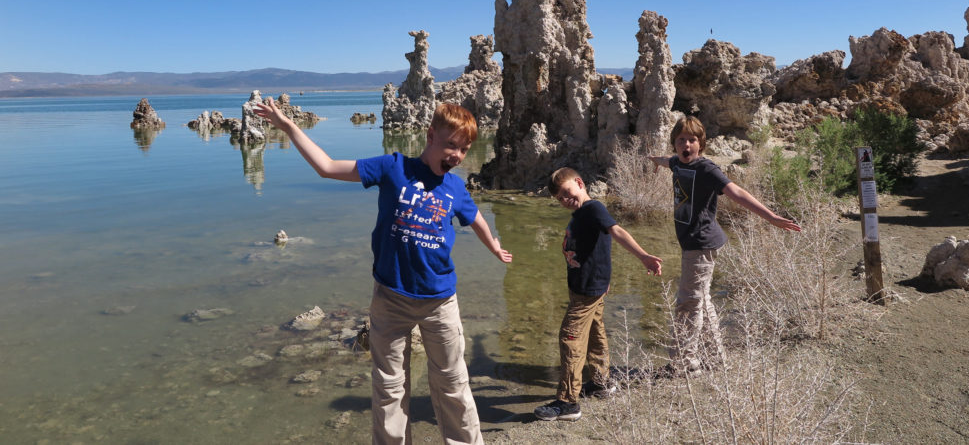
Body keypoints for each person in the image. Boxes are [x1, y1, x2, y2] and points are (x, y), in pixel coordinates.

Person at [256, 99, 512, 445]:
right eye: (451, 145)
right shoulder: (393, 167)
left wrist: (493, 245)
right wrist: (288, 127)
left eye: (464, 149)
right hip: (390, 299)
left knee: (453, 383)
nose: (457, 155)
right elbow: (328, 167)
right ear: (430, 134)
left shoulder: (455, 187)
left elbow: (475, 216)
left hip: (440, 302)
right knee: (390, 387)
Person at [648, 116, 801, 374]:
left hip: (701, 243)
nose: (686, 144)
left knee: (687, 303)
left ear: (701, 144)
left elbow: (737, 192)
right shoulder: (676, 162)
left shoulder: (707, 169)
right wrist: (655, 161)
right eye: (681, 140)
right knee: (702, 301)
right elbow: (667, 161)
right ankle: (716, 359)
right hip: (693, 243)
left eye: (692, 140)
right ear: (674, 144)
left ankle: (684, 364)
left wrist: (771, 217)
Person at [533, 167, 663, 422]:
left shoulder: (594, 209)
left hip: (587, 291)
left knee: (569, 338)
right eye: (559, 198)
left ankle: (568, 402)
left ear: (580, 183)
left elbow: (617, 232)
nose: (565, 200)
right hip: (587, 287)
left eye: (567, 192)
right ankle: (602, 383)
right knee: (595, 331)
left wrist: (643, 256)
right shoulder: (582, 213)